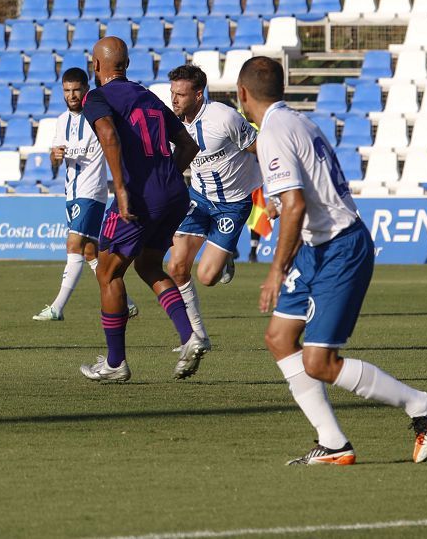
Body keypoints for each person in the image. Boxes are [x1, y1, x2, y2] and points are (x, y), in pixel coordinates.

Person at [236, 56, 427, 465]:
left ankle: (422, 405)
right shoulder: (299, 121)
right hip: (320, 246)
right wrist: (282, 207)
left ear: (243, 94)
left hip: (339, 247)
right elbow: (303, 193)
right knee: (280, 339)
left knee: (319, 362)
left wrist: (275, 272)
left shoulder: (273, 132)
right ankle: (334, 443)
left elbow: (296, 204)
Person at [78, 37, 200, 383]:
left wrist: (121, 188)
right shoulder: (147, 95)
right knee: (147, 264)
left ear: (96, 65)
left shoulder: (96, 97)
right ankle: (190, 336)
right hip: (174, 192)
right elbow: (189, 144)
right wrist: (168, 180)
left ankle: (116, 363)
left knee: (108, 273)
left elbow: (109, 137)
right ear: (126, 65)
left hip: (138, 195)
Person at [165, 64, 263, 378]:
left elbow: (260, 148)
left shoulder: (225, 117)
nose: (175, 99)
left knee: (207, 276)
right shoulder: (172, 124)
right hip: (199, 198)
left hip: (233, 205)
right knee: (176, 267)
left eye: (180, 94)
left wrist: (276, 190)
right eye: (172, 93)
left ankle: (224, 256)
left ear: (198, 93)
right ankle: (197, 337)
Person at [34, 67, 138, 321]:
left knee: (74, 244)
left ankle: (58, 307)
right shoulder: (60, 120)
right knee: (91, 252)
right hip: (71, 191)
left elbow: (94, 151)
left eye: (76, 90)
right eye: (67, 91)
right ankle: (127, 302)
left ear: (85, 89)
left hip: (91, 191)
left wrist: (65, 152)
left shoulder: (96, 116)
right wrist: (54, 156)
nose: (71, 95)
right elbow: (56, 159)